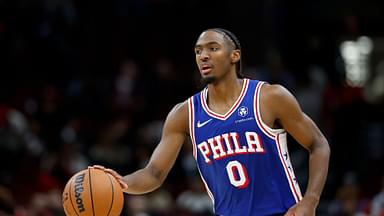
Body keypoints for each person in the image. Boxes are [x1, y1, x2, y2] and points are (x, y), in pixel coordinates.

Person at [90, 28, 331, 216]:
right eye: (198, 51)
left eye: (213, 48)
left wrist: (310, 200)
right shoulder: (184, 114)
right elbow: (153, 173)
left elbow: (318, 144)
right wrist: (118, 182)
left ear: (234, 55)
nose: (203, 55)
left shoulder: (269, 97)